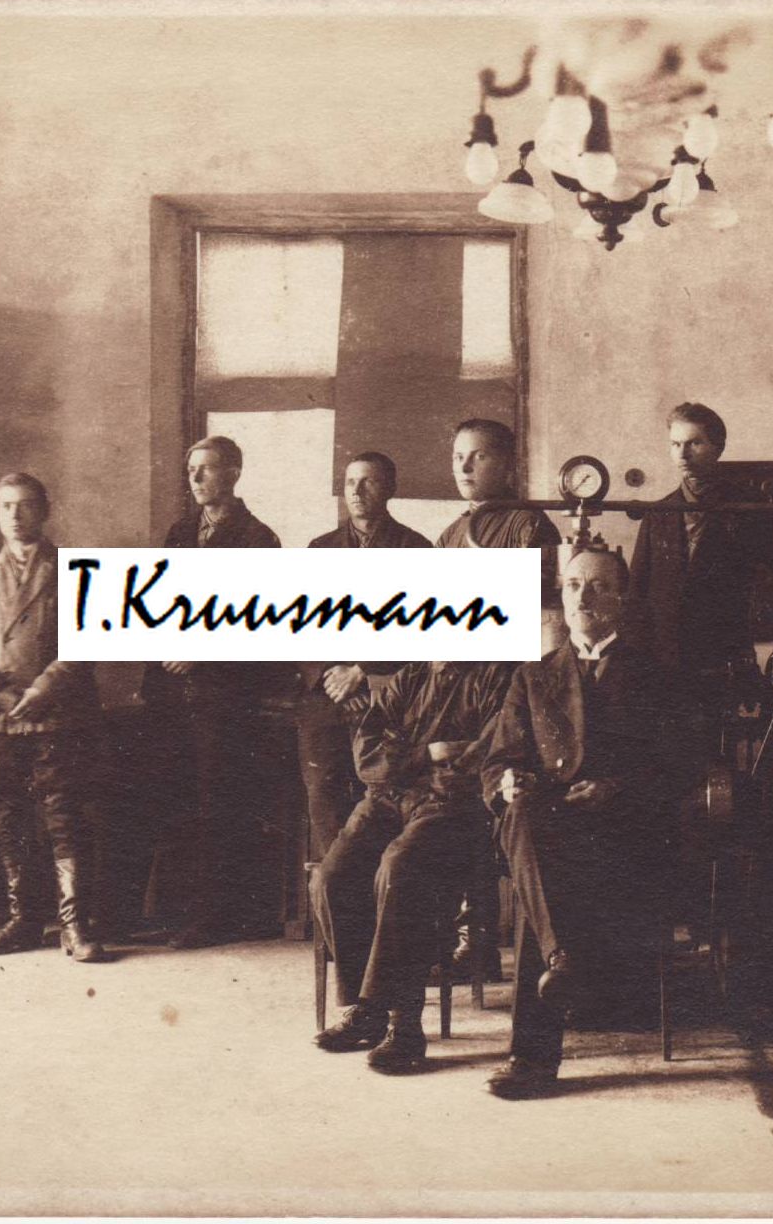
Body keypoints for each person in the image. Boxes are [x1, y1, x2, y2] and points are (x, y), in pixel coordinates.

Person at [478, 546, 671, 1099]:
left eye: (598, 586)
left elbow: (680, 762)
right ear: (561, 597)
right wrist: (507, 781)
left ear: (622, 599)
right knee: (525, 817)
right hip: (547, 826)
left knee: (542, 879)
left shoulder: (656, 675)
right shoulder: (533, 676)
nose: (583, 597)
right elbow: (498, 760)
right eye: (573, 585)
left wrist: (616, 786)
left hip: (623, 829)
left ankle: (531, 1058)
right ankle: (559, 965)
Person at [310, 659, 515, 1074]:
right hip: (387, 798)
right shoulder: (410, 677)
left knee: (399, 869)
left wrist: (414, 761)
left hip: (452, 806)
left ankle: (404, 1024)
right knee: (332, 877)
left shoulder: (493, 676)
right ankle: (368, 1011)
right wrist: (428, 755)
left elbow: (480, 757)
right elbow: (368, 755)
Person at [0, 473, 106, 963]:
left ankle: (74, 925)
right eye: (5, 506)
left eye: (24, 505)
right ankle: (23, 922)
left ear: (44, 511)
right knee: (9, 819)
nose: (15, 515)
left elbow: (87, 639)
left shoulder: (75, 570)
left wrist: (44, 688)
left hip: (58, 713)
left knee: (65, 818)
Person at [141, 435, 282, 949]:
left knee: (216, 803)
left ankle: (212, 916)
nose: (196, 479)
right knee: (175, 797)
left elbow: (259, 622)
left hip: (226, 694)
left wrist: (202, 652)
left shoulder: (259, 540)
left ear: (234, 473)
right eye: (191, 470)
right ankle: (174, 911)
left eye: (207, 469)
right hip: (173, 692)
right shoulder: (180, 534)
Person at [436, 418, 561, 982]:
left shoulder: (530, 525)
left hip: (511, 692)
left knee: (484, 793)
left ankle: (490, 937)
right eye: (458, 456)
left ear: (507, 464)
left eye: (478, 456)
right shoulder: (449, 535)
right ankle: (469, 936)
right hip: (459, 691)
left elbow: (531, 618)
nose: (464, 467)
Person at [297, 452, 432, 859]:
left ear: (390, 488)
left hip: (387, 695)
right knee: (322, 793)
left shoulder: (416, 549)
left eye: (368, 481)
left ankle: (377, 888)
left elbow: (422, 630)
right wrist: (331, 678)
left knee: (383, 797)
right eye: (350, 482)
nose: (356, 490)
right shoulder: (320, 550)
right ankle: (334, 888)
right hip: (327, 697)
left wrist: (363, 671)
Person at [628, 401, 768, 693]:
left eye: (694, 443)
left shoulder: (749, 510)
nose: (683, 454)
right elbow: (636, 593)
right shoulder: (657, 514)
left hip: (721, 662)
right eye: (675, 444)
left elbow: (767, 584)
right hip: (664, 665)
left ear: (718, 447)